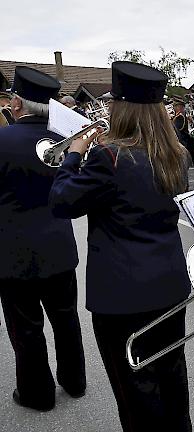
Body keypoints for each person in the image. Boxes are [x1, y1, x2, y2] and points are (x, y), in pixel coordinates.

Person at [49, 61, 192, 431]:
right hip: (170, 285)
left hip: (123, 296)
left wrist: (74, 154)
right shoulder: (176, 153)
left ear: (122, 107)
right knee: (172, 378)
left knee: (134, 393)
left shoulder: (108, 157)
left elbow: (62, 202)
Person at [0, 66, 86, 412]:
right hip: (59, 246)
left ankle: (37, 393)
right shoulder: (66, 141)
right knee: (66, 318)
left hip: (14, 251)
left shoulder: (2, 140)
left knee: (26, 327)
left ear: (17, 103)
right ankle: (75, 381)